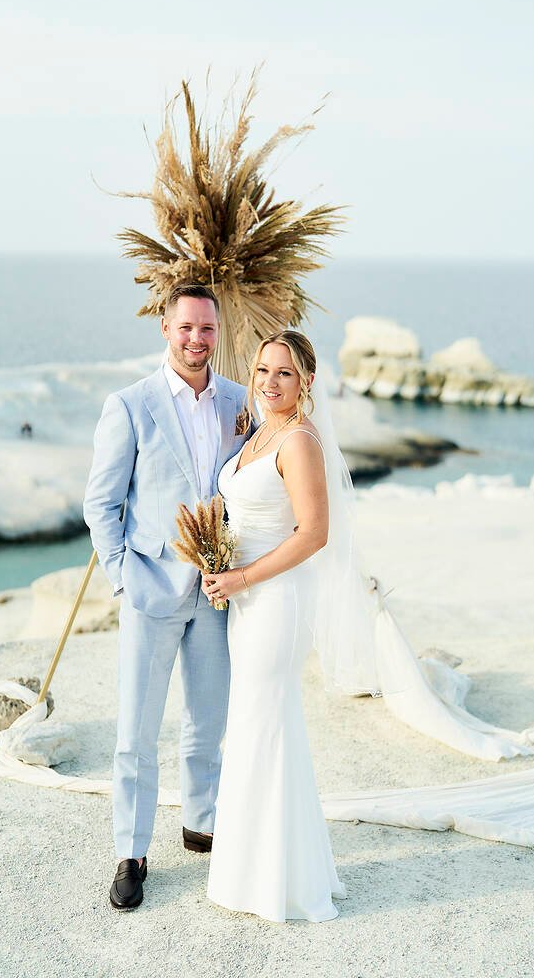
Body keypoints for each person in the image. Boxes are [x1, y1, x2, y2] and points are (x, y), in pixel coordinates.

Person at [83, 283, 253, 911]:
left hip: (216, 592)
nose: (196, 340)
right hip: (150, 588)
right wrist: (124, 577)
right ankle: (131, 851)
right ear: (165, 327)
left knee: (208, 721)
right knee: (136, 730)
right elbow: (101, 503)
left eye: (206, 329)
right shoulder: (130, 405)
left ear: (217, 331)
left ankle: (201, 822)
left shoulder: (240, 402)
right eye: (185, 328)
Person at [202, 331, 347, 923]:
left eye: (283, 373)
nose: (268, 381)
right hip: (246, 601)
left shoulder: (301, 441)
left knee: (264, 726)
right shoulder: (257, 433)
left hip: (277, 600)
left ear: (306, 382)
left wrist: (242, 578)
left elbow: (314, 533)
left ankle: (273, 883)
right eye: (262, 369)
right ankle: (268, 870)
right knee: (259, 726)